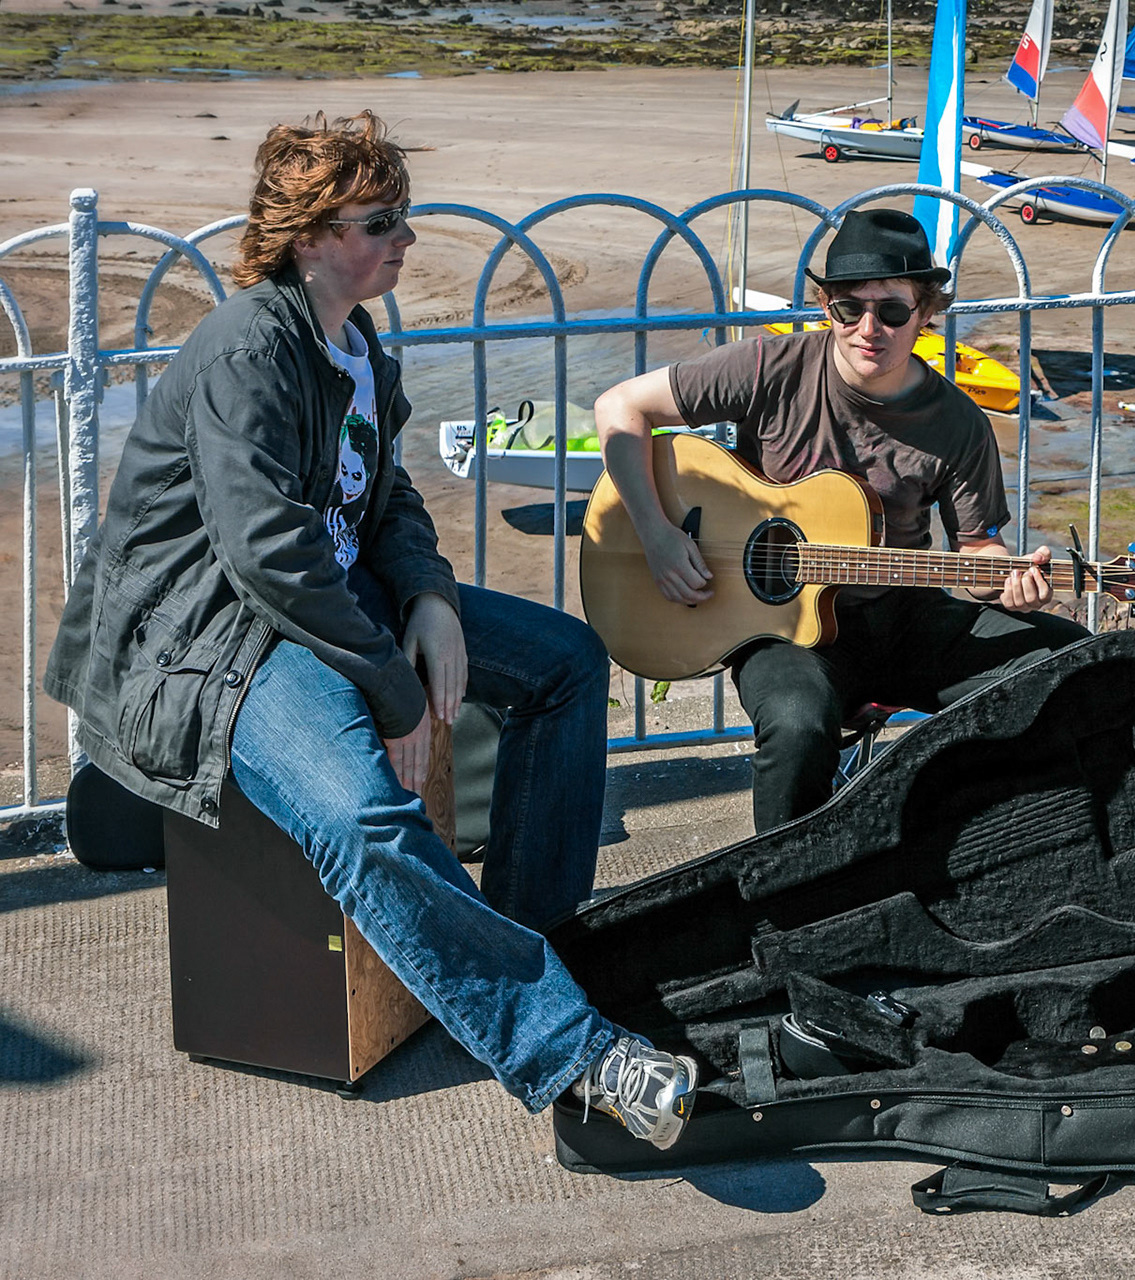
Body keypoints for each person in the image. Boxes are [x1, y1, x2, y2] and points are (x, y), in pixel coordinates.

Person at [43, 111, 698, 1143]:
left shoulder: (354, 341)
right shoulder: (247, 345)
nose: (406, 239)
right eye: (380, 221)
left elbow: (381, 496)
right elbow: (265, 551)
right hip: (220, 638)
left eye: (406, 217)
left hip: (330, 599)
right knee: (358, 816)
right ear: (308, 235)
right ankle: (572, 1052)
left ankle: (528, 945)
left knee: (566, 662)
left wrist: (431, 595)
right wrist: (394, 682)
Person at [595, 208, 1088, 830]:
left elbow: (978, 553)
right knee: (799, 724)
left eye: (892, 310)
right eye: (848, 308)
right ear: (827, 306)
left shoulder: (958, 422)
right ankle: (782, 897)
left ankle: (1005, 839)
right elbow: (619, 408)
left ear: (926, 312)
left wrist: (1009, 586)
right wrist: (658, 535)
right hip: (777, 626)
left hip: (899, 615)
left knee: (1073, 666)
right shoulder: (770, 369)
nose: (867, 328)